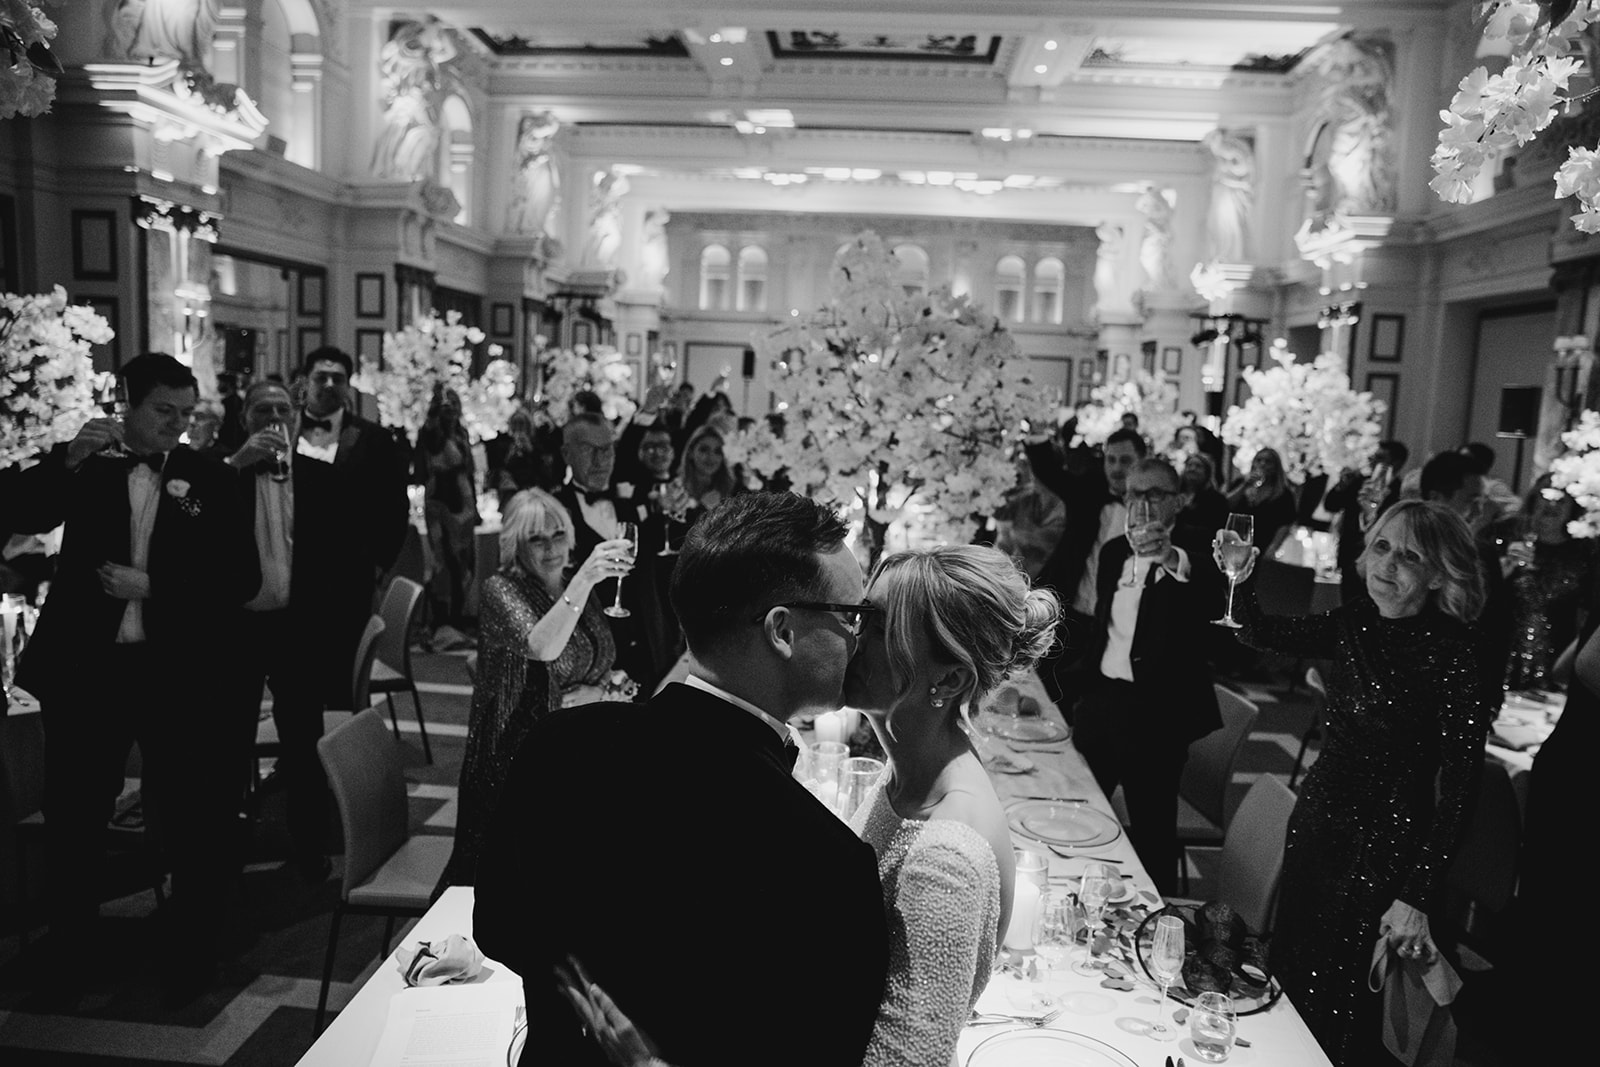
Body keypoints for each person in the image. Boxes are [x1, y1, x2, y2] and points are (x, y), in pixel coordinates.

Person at [559, 543, 1062, 1067]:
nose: (851, 637)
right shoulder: (908, 776)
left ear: (950, 679)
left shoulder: (947, 855)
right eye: (858, 616)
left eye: (878, 627)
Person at [474, 492, 889, 1067]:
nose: (859, 636)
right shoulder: (829, 866)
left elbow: (497, 926)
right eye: (851, 616)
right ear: (783, 631)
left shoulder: (558, 743)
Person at [10, 353, 259, 1005]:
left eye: (186, 413)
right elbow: (17, 513)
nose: (177, 427)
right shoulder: (85, 465)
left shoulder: (208, 474)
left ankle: (188, 954)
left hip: (174, 673)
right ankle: (70, 952)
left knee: (187, 814)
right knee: (76, 814)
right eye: (163, 412)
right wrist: (63, 461)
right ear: (128, 403)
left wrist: (157, 588)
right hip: (88, 670)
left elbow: (243, 578)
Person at [1228, 500, 1492, 1066]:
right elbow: (1259, 632)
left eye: (1410, 555)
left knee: (1349, 1001)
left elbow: (1462, 788)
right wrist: (1241, 578)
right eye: (1381, 547)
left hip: (1386, 845)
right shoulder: (1355, 620)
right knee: (1294, 969)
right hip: (1319, 822)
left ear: (1440, 573)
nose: (1388, 564)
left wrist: (1416, 894)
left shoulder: (1455, 652)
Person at [440, 489, 629, 888]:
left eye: (558, 535)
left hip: (573, 749)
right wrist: (584, 580)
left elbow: (597, 661)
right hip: (515, 762)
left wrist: (608, 689)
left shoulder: (573, 585)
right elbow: (542, 647)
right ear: (514, 544)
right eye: (536, 539)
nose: (551, 548)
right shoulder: (501, 589)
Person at [1074, 457, 1225, 892]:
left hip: (1158, 719)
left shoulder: (1202, 554)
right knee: (1078, 813)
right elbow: (1104, 632)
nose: (1141, 503)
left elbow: (1217, 600)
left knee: (1153, 837)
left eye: (1154, 494)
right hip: (1102, 706)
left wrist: (1170, 558)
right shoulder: (1113, 552)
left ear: (1178, 500)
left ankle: (1154, 929)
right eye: (1133, 494)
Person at [222, 380, 352, 880]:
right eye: (262, 409)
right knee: (230, 738)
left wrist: (334, 635)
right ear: (245, 417)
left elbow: (347, 563)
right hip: (238, 627)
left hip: (299, 630)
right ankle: (229, 840)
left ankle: (308, 844)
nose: (274, 417)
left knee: (302, 741)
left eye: (282, 408)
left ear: (297, 417)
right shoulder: (224, 475)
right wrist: (237, 463)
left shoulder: (323, 478)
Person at [293, 347, 409, 702]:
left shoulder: (374, 439)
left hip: (349, 577)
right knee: (294, 675)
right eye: (320, 377)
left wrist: (376, 565)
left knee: (343, 675)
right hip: (291, 577)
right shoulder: (282, 431)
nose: (328, 385)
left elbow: (395, 507)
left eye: (337, 378)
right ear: (305, 381)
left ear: (348, 386)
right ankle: (299, 755)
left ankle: (340, 749)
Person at [1027, 426, 1144, 707]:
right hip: (1072, 612)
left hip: (1119, 625)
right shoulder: (1088, 492)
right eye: (1110, 459)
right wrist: (1038, 434)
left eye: (1125, 460)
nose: (1116, 468)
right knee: (1047, 692)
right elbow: (1051, 473)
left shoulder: (1152, 507)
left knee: (1098, 704)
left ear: (1142, 460)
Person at [1501, 476, 1594, 691]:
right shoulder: (1506, 533)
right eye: (1546, 496)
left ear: (1573, 506)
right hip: (1501, 648)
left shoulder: (1585, 551)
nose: (1552, 505)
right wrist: (1502, 568)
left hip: (1556, 656)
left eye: (1561, 500)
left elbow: (1587, 613)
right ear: (1534, 499)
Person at [414, 387, 479, 626]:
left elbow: (470, 469)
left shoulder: (461, 432)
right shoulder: (432, 432)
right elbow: (431, 446)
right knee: (441, 560)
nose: (450, 407)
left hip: (464, 500)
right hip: (439, 497)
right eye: (445, 404)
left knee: (463, 561)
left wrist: (477, 509)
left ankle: (456, 618)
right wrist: (433, 409)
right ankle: (441, 621)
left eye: (453, 402)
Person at [1323, 439, 1408, 603]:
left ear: (1396, 463)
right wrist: (1341, 486)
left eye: (1381, 458)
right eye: (1374, 456)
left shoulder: (1401, 493)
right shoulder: (1360, 483)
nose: (1374, 460)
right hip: (1349, 556)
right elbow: (1331, 505)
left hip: (1380, 564)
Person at [1225, 447, 1295, 550]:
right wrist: (1245, 485)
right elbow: (1225, 505)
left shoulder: (1283, 494)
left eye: (1268, 461)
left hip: (1261, 545)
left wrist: (1273, 548)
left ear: (1276, 467)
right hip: (1234, 541)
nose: (1262, 464)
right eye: (1259, 460)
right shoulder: (1240, 483)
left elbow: (1285, 525)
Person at [674, 423, 737, 511]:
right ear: (691, 452)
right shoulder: (676, 489)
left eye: (717, 451)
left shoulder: (732, 489)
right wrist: (702, 507)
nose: (711, 457)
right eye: (704, 450)